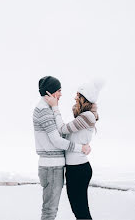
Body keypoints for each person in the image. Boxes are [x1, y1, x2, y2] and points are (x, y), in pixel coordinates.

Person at [33, 76, 92, 220]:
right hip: (51, 167)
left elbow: (60, 134)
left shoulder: (48, 109)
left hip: (54, 167)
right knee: (50, 211)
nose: (60, 94)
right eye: (59, 90)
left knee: (52, 209)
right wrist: (80, 148)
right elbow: (57, 141)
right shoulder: (44, 111)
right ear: (50, 91)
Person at [45, 80, 104, 220]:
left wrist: (55, 107)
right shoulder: (82, 117)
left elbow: (62, 129)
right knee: (78, 210)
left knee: (81, 211)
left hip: (79, 169)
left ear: (85, 97)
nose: (75, 97)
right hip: (74, 169)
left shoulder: (88, 116)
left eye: (78, 95)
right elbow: (65, 135)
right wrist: (82, 146)